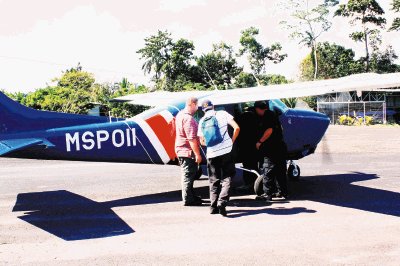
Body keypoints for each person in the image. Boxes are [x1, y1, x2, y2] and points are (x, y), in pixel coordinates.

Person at [198, 99, 240, 216]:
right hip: (227, 151)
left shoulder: (202, 121)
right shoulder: (222, 114)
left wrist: (212, 144)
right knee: (228, 177)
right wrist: (231, 141)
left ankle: (213, 207)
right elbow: (237, 128)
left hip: (211, 154)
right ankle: (222, 201)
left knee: (213, 180)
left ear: (203, 110)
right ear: (213, 106)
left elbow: (202, 141)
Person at [253, 100, 288, 201]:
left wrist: (260, 141)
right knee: (280, 170)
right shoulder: (273, 115)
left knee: (268, 170)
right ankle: (282, 192)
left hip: (271, 148)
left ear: (258, 109)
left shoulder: (267, 116)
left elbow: (269, 130)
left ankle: (267, 194)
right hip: (280, 146)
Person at [175, 97, 203, 206]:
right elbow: (191, 138)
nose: (197, 107)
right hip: (187, 151)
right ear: (192, 104)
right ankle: (188, 199)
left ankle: (191, 196)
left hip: (181, 149)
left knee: (190, 175)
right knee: (188, 175)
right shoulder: (188, 119)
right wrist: (197, 154)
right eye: (197, 105)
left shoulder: (180, 115)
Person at [236, 107, 259, 193]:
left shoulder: (242, 118)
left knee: (247, 166)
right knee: (253, 165)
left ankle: (248, 184)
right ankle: (253, 183)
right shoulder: (255, 119)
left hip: (244, 146)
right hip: (253, 146)